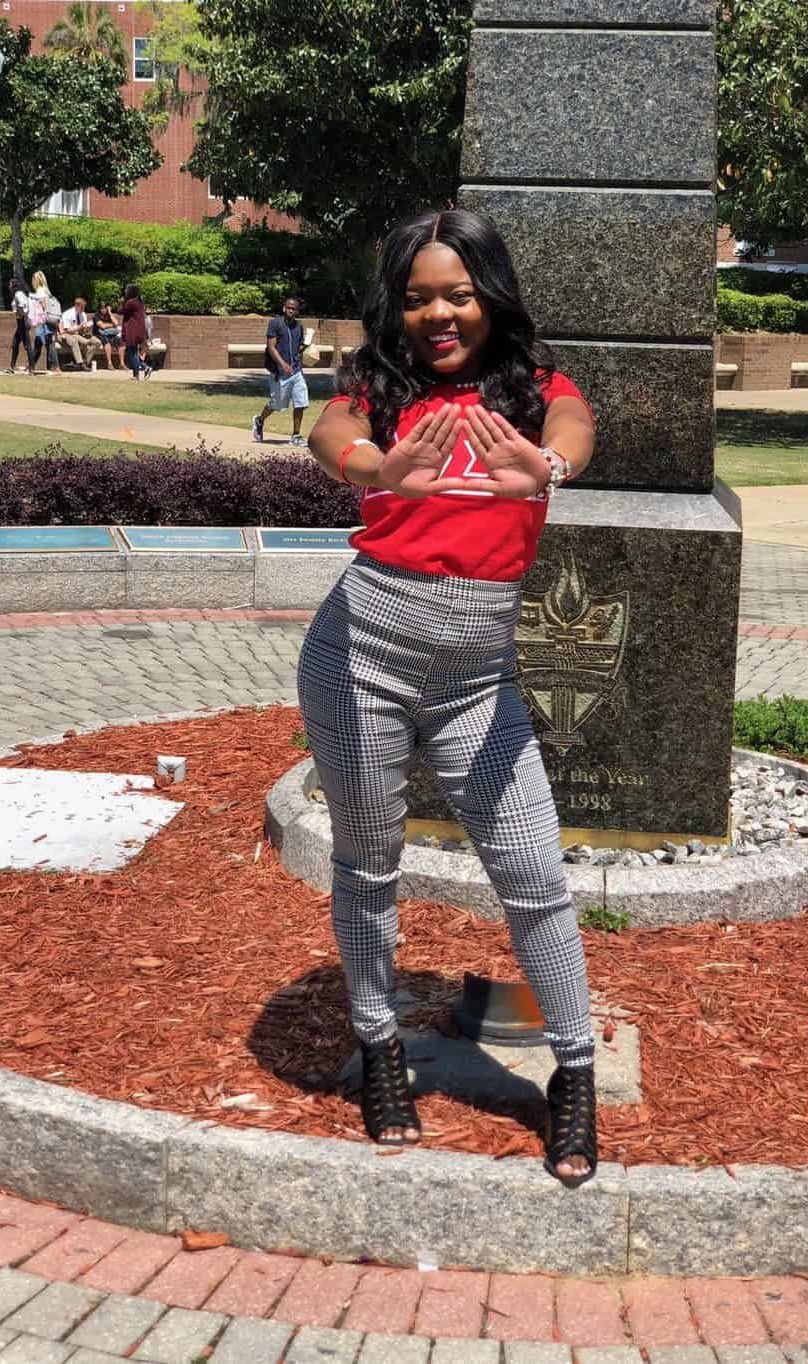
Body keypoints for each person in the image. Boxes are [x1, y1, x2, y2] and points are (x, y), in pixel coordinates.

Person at [299, 209, 599, 1187]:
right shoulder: (381, 391)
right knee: (368, 864)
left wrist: (546, 468)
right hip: (361, 654)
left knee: (534, 871)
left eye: (458, 295)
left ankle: (575, 1072)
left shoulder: (532, 392)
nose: (438, 314)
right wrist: (379, 468)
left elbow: (575, 427)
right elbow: (328, 429)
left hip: (479, 680)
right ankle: (380, 1046)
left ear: (491, 298)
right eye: (418, 296)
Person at [252, 297, 309, 447]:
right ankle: (259, 420)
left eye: (294, 309)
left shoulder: (298, 326)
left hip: (296, 371)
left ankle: (296, 435)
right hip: (280, 372)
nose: (291, 310)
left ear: (297, 311)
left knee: (301, 402)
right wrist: (283, 364)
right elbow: (271, 347)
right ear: (284, 308)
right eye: (288, 308)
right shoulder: (275, 323)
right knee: (276, 404)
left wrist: (305, 346)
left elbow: (297, 349)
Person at [29, 271, 61, 375]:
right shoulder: (47, 290)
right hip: (49, 319)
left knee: (44, 343)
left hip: (44, 321)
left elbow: (43, 305)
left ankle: (55, 368)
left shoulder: (40, 290)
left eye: (33, 279)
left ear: (36, 280)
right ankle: (31, 366)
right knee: (44, 343)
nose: (32, 282)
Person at [2, 277, 36, 375]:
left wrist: (20, 313)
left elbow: (22, 304)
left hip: (23, 321)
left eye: (10, 284)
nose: (9, 286)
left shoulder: (18, 294)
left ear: (14, 285)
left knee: (27, 345)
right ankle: (11, 368)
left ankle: (32, 369)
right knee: (15, 344)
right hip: (21, 322)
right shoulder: (19, 294)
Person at [120, 283, 152, 380]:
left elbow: (121, 311)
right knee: (133, 352)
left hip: (133, 330)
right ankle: (136, 375)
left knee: (131, 352)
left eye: (127, 290)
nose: (125, 291)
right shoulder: (139, 301)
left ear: (131, 291)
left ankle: (144, 367)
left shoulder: (131, 302)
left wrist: (122, 301)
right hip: (140, 329)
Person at [59, 296, 100, 370]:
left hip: (79, 335)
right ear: (77, 306)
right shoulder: (67, 314)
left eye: (84, 307)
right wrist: (80, 327)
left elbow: (82, 330)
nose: (83, 309)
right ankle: (80, 363)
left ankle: (85, 362)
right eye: (82, 307)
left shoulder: (83, 314)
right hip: (67, 334)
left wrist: (86, 328)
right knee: (74, 340)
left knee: (97, 342)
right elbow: (67, 330)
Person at [95, 300, 125, 370]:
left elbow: (116, 323)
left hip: (111, 334)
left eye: (105, 308)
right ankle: (109, 363)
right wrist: (112, 325)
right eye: (102, 308)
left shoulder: (109, 314)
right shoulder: (97, 315)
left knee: (121, 342)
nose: (103, 310)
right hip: (101, 334)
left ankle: (122, 364)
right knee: (107, 342)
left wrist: (110, 313)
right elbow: (102, 326)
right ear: (99, 309)